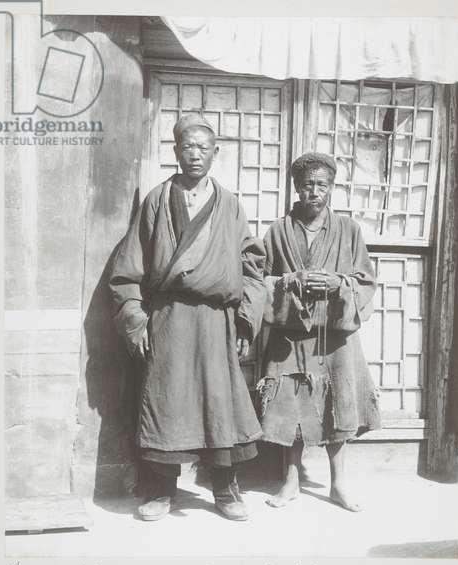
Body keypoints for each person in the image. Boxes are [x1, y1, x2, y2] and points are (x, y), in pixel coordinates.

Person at [109, 114, 266, 521]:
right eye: (187, 147)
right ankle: (162, 491)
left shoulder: (229, 205)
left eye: (203, 148)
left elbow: (253, 268)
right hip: (169, 318)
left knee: (220, 402)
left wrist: (245, 319)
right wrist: (136, 319)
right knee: (167, 401)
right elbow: (128, 269)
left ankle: (225, 489)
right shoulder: (157, 200)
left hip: (217, 321)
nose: (195, 154)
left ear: (215, 153)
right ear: (176, 151)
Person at [258, 152, 381, 511]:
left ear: (332, 188)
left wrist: (338, 283)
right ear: (297, 188)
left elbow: (366, 280)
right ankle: (291, 481)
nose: (314, 191)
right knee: (290, 404)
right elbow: (260, 281)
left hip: (336, 337)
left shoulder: (349, 230)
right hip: (291, 334)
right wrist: (290, 281)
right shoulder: (278, 231)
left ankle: (338, 483)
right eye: (307, 184)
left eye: (322, 185)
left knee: (337, 403)